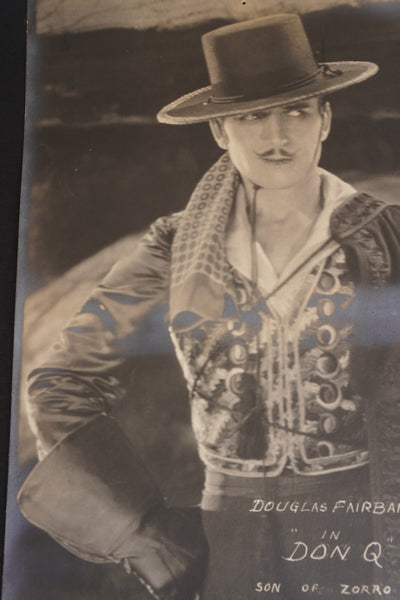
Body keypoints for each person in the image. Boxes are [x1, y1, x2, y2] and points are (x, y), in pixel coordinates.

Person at [18, 13, 400, 600]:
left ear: (325, 117)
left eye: (297, 110)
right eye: (252, 116)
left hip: (360, 526)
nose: (278, 135)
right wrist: (144, 534)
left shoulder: (384, 235)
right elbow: (61, 379)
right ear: (220, 130)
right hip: (228, 538)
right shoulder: (173, 246)